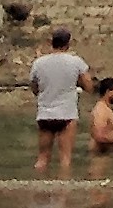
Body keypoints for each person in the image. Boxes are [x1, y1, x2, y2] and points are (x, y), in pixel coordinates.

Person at [31, 26, 90, 176]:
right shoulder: (76, 62)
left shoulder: (39, 63)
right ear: (68, 43)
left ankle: (38, 187)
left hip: (44, 113)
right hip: (67, 114)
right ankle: (63, 192)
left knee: (42, 158)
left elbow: (34, 88)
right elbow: (89, 86)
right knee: (65, 159)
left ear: (52, 42)